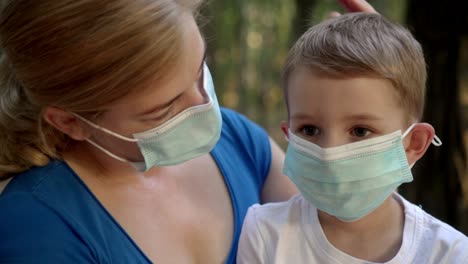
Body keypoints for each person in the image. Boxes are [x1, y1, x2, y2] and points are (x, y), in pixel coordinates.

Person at [0, 0, 373, 263]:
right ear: (70, 122)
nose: (202, 106)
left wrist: (373, 96)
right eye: (164, 108)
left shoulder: (236, 140)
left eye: (199, 71)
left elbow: (345, 235)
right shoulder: (40, 229)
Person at [237, 12, 468, 264]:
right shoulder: (265, 233)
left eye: (360, 131)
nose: (329, 152)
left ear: (413, 144)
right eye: (309, 130)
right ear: (289, 136)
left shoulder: (449, 254)